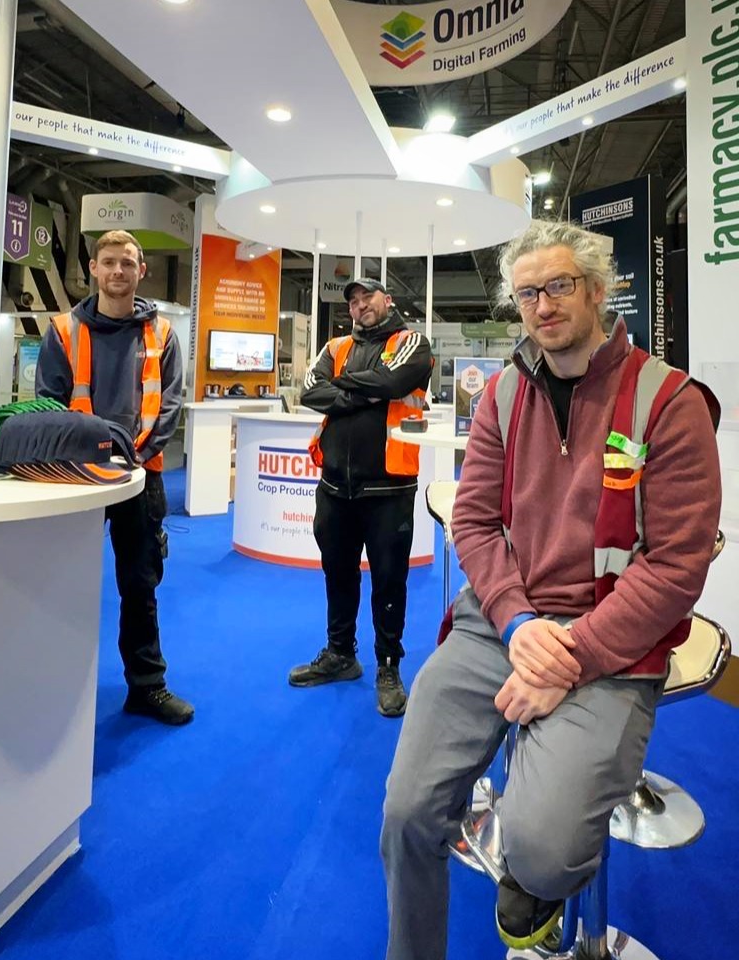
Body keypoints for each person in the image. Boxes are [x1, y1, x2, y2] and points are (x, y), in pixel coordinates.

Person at [380, 220, 721, 959]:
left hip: (613, 641)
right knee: (407, 816)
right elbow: (473, 522)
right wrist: (516, 623)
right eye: (527, 293)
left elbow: (676, 565)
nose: (542, 305)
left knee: (541, 852)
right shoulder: (504, 393)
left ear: (596, 291)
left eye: (559, 286)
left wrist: (571, 655)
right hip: (499, 624)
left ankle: (536, 884)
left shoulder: (670, 401)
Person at [35, 229, 192, 725]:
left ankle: (147, 686)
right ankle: (55, 688)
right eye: (108, 262)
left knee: (140, 587)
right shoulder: (63, 330)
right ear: (93, 269)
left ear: (141, 271)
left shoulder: (162, 335)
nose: (118, 271)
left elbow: (170, 406)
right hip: (76, 478)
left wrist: (135, 458)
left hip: (140, 479)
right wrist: (88, 459)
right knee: (61, 583)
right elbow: (49, 404)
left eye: (127, 262)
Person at [289, 278, 433, 717]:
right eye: (352, 300)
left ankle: (388, 666)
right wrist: (365, 392)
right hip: (334, 487)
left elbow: (393, 381)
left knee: (389, 580)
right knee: (338, 573)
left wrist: (343, 389)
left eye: (367, 296)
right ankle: (340, 654)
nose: (359, 305)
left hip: (389, 488)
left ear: (387, 299)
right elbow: (310, 390)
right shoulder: (335, 347)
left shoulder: (411, 342)